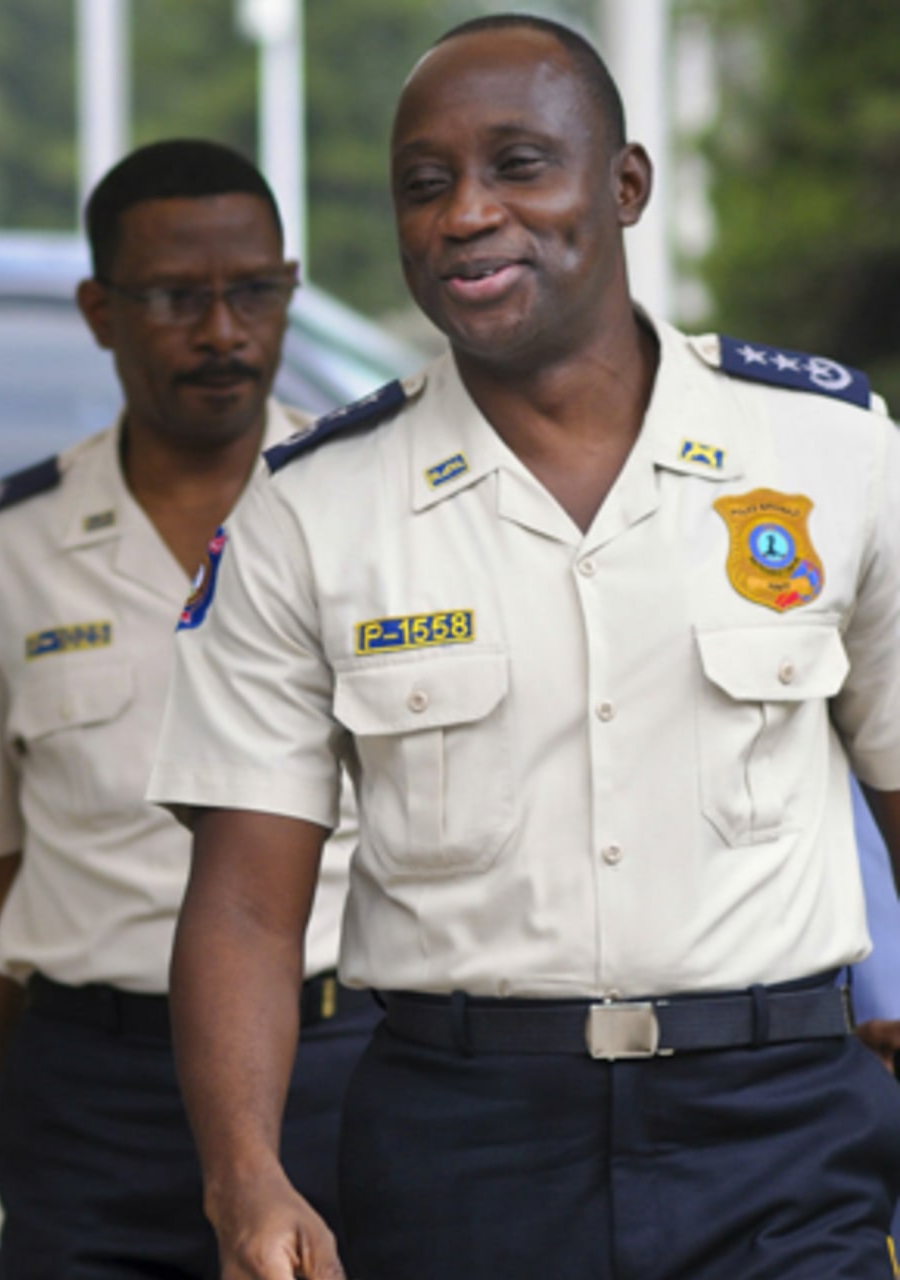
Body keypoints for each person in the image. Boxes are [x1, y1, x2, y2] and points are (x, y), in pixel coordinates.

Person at [147, 14, 900, 1280]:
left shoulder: (832, 454)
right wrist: (247, 1178)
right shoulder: (313, 507)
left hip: (778, 1127)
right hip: (462, 1143)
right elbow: (240, 900)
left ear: (625, 184)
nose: (466, 215)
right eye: (425, 186)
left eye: (519, 166)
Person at [0, 139, 375, 1280]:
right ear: (100, 309)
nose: (224, 332)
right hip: (92, 1098)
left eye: (255, 291)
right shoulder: (3, 550)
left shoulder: (371, 513)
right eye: (176, 298)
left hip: (343, 1073)